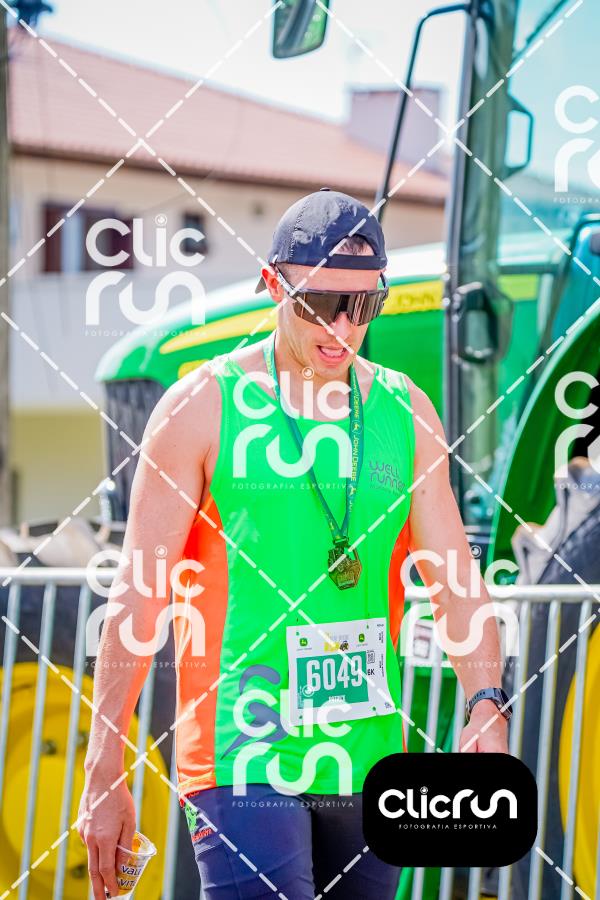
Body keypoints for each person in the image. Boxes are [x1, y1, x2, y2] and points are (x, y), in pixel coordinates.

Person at [78, 189, 510, 900]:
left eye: (363, 306)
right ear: (274, 285)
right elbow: (138, 594)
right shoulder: (200, 407)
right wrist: (105, 764)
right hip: (242, 753)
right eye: (321, 303)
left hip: (366, 757)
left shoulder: (406, 411)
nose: (343, 327)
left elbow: (456, 581)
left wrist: (486, 706)